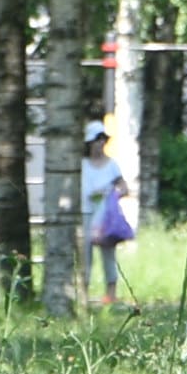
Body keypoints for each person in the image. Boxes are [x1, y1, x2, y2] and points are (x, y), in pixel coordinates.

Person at [80, 121, 135, 306]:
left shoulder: (112, 165)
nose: (100, 143)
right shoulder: (83, 165)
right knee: (84, 256)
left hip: (106, 217)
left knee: (108, 255)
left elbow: (124, 188)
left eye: (102, 139)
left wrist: (111, 193)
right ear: (90, 143)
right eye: (97, 139)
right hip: (86, 213)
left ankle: (110, 296)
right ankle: (83, 295)